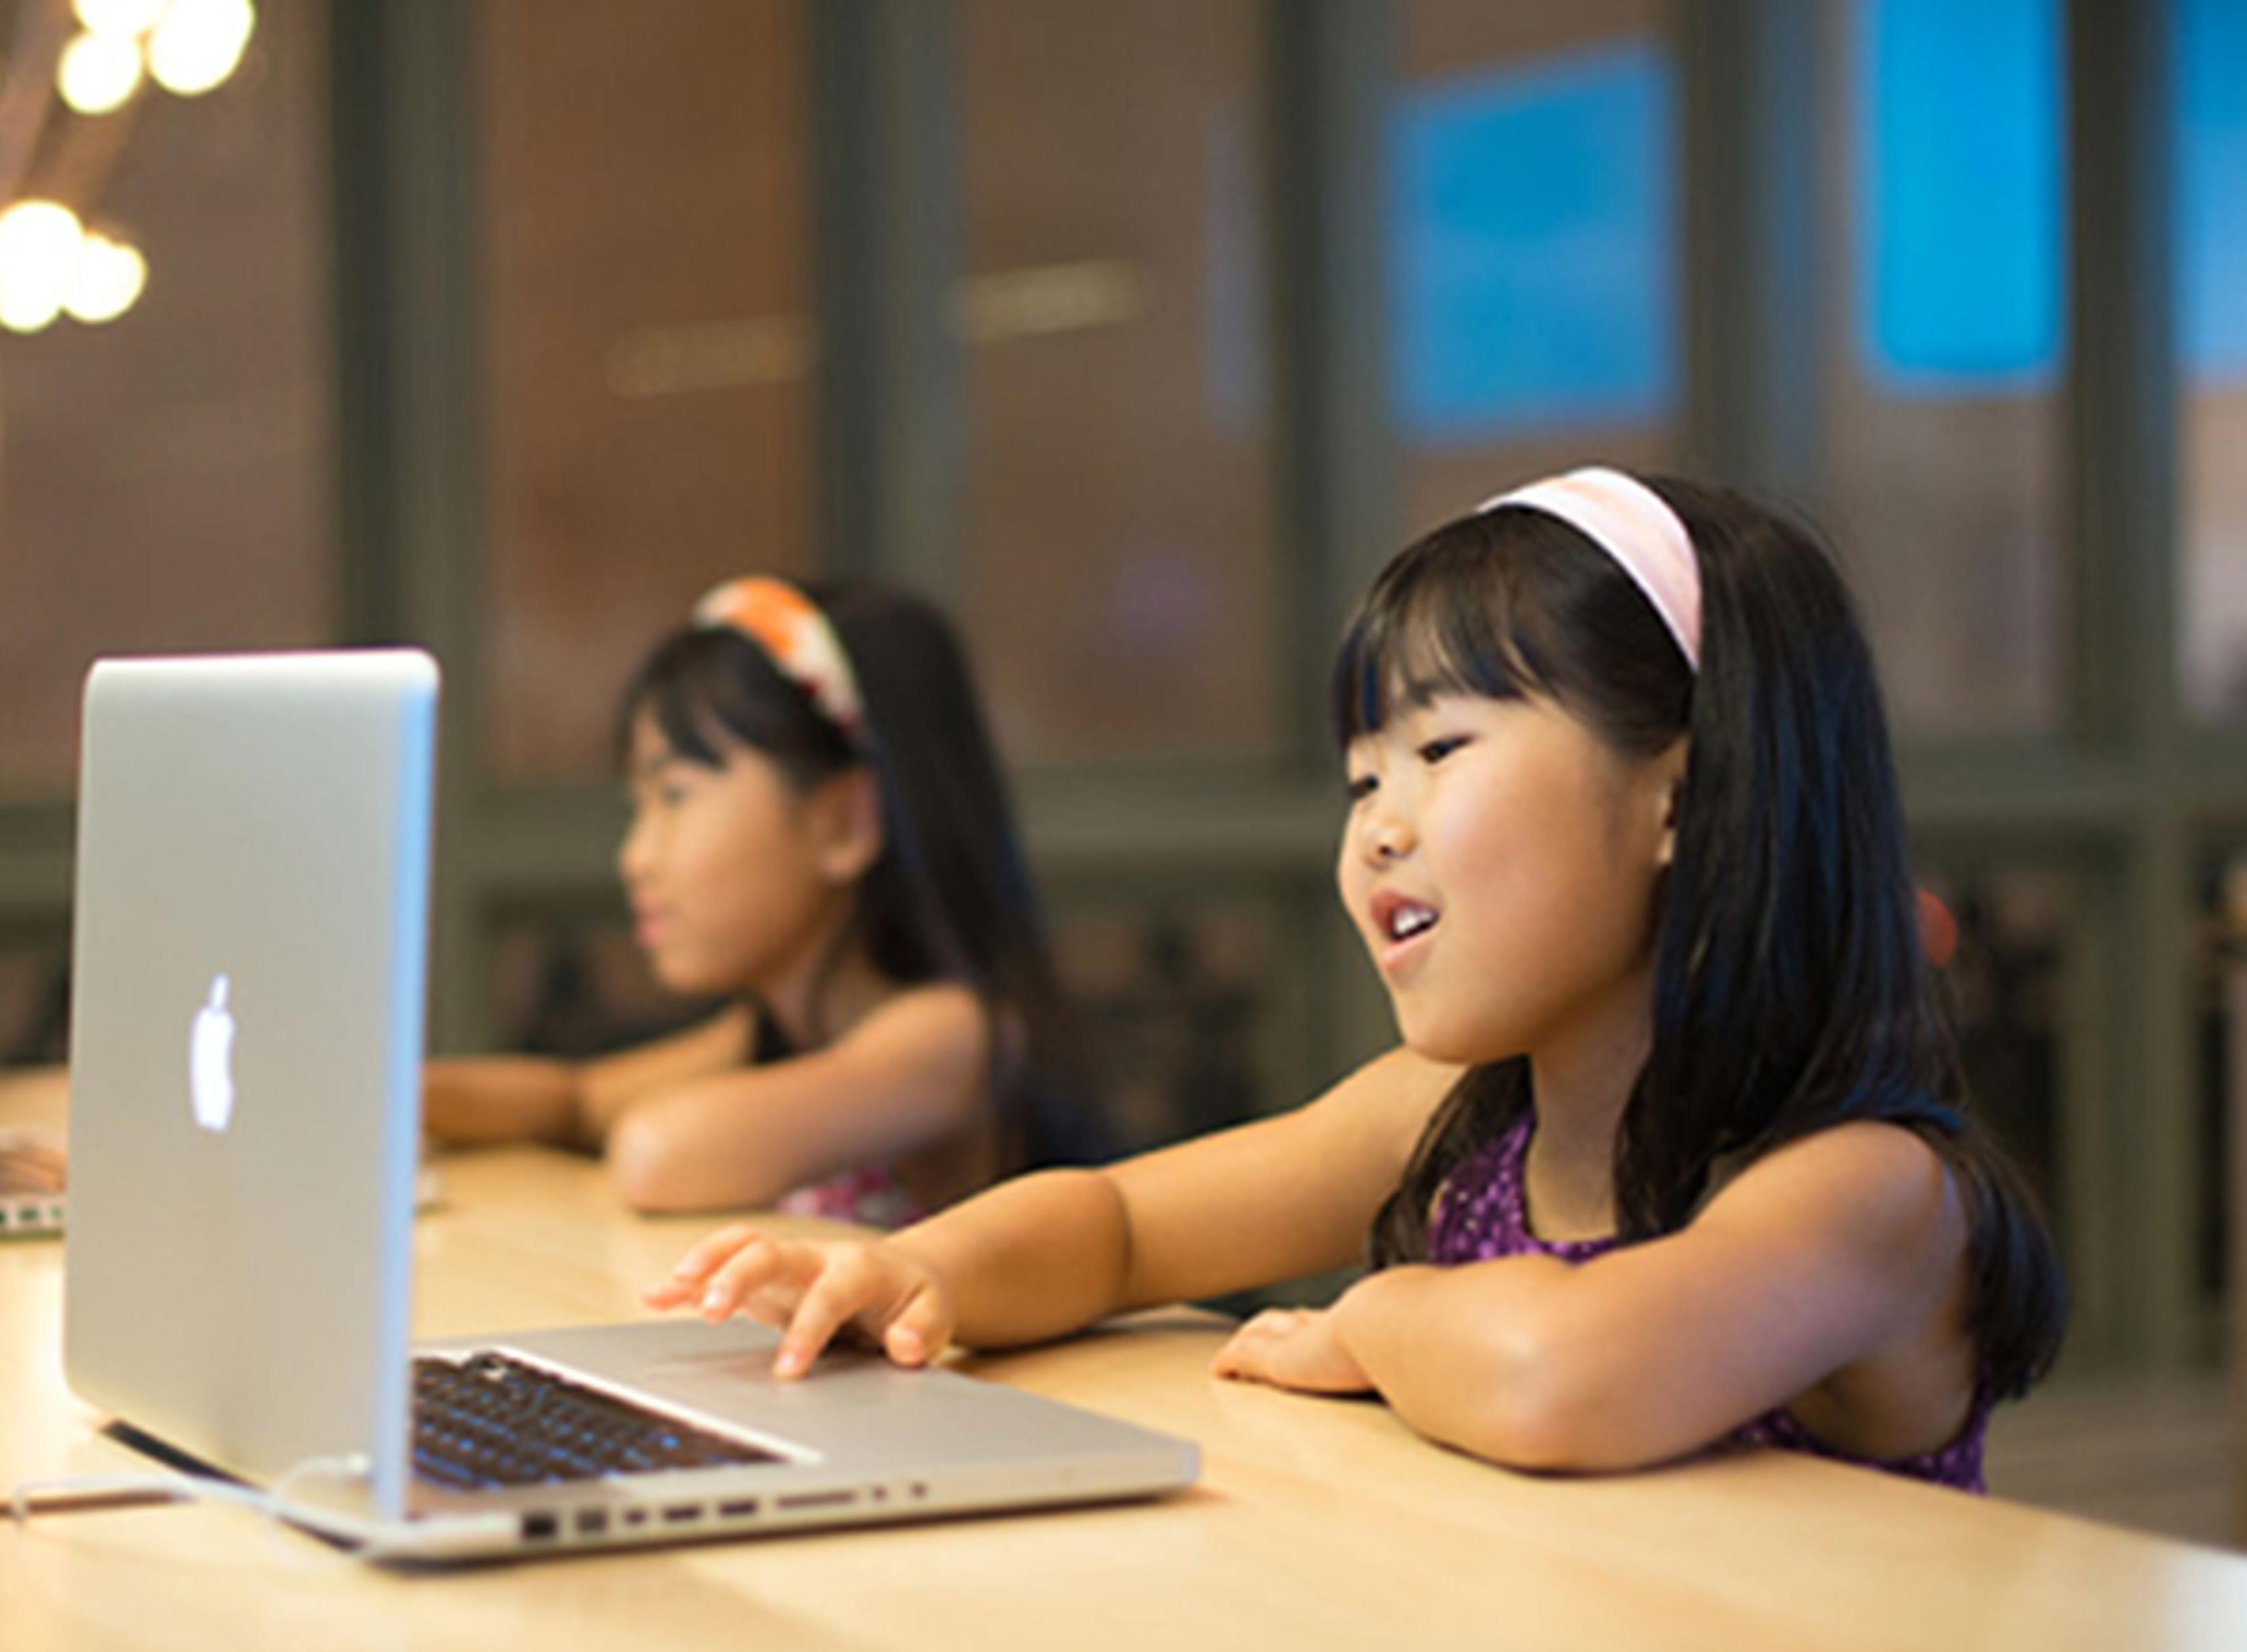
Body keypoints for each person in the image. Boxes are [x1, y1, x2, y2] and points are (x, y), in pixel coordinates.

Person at [646, 470, 2067, 1490]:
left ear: (1680, 801)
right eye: (1361, 777)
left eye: (1444, 753)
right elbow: (1127, 1228)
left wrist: (1372, 1318)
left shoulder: (1871, 1189)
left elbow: (1558, 1375)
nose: (1379, 822)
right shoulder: (1453, 1117)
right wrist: (917, 1269)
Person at [425, 574, 1095, 1228]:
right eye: (639, 807)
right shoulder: (776, 1033)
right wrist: (395, 1097)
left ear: (841, 823)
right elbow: (574, 1102)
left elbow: (659, 1154)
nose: (636, 857)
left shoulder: (954, 1034)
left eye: (677, 795)